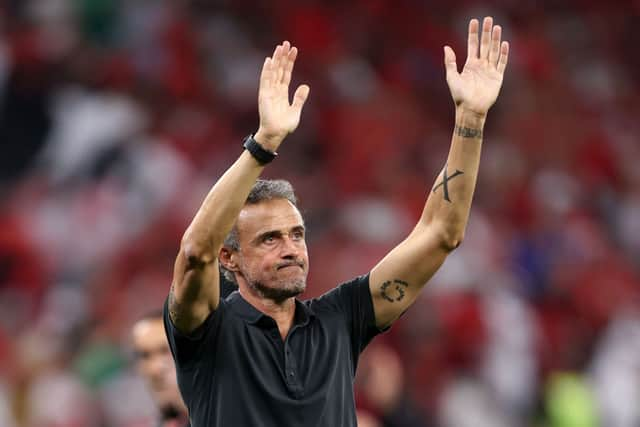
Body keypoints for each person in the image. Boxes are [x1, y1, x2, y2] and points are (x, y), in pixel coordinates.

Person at [163, 16, 509, 427]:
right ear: (230, 258)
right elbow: (195, 252)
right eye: (269, 239)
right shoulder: (207, 331)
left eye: (296, 234)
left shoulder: (339, 319)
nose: (290, 248)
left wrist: (470, 120)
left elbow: (440, 235)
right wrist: (263, 144)